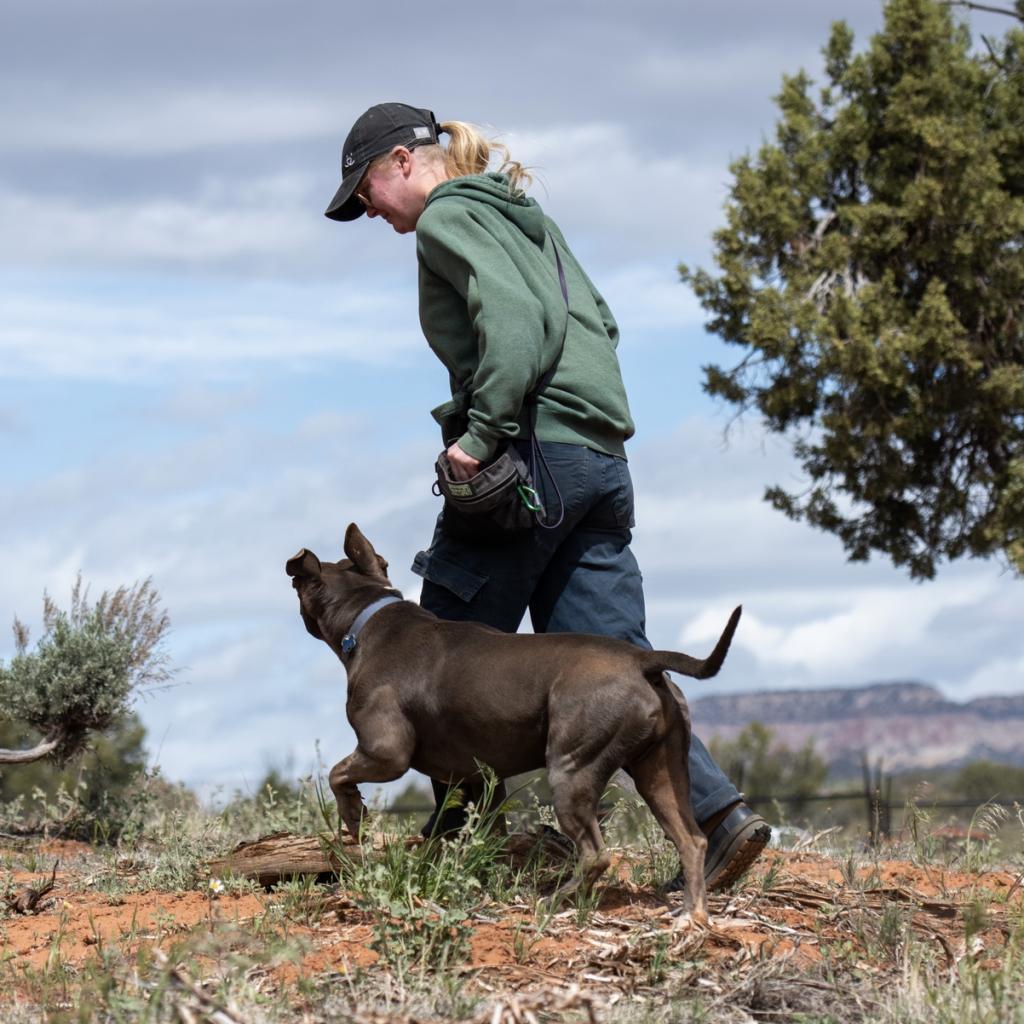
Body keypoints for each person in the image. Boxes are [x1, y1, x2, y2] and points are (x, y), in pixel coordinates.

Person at [325, 102, 771, 890]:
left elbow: (516, 319)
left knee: (433, 647)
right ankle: (719, 817)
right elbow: (601, 323)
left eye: (363, 192)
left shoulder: (447, 217)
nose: (368, 212)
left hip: (529, 459)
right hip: (597, 461)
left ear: (401, 161)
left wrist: (480, 434)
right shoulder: (525, 217)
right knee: (618, 662)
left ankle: (454, 850)